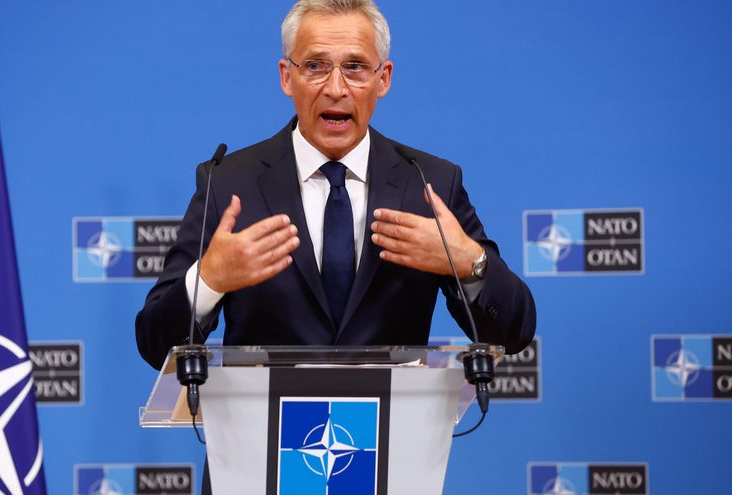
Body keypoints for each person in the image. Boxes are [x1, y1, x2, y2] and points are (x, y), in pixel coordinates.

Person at [135, 0, 535, 372]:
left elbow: (514, 333)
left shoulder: (428, 184)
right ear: (286, 77)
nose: (336, 88)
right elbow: (155, 343)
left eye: (356, 66)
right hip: (261, 442)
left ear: (384, 79)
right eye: (315, 66)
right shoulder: (227, 183)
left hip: (389, 441)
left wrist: (468, 262)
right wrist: (209, 279)